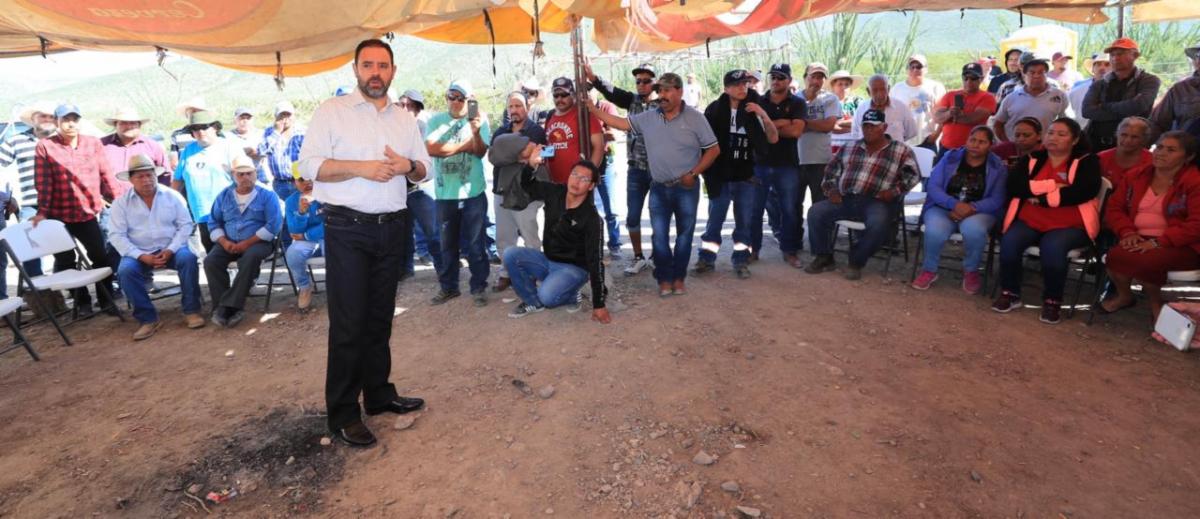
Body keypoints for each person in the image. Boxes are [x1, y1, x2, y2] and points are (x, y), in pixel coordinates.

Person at [298, 39, 431, 447]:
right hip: (347, 229)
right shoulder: (332, 111)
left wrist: (407, 165)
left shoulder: (404, 118)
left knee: (379, 318)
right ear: (356, 69)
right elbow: (309, 166)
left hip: (392, 227)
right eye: (368, 65)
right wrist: (362, 168)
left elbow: (424, 170)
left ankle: (378, 395)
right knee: (349, 323)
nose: (376, 72)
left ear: (393, 71)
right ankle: (342, 413)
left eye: (383, 65)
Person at [591, 72, 720, 296]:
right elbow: (621, 123)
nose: (662, 95)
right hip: (658, 187)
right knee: (659, 237)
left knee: (684, 236)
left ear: (680, 91)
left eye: (667, 90)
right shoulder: (650, 117)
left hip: (686, 188)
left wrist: (693, 173)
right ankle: (664, 278)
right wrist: (592, 109)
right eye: (660, 91)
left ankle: (678, 278)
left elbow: (713, 149)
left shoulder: (695, 117)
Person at [992, 118, 1102, 324]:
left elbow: (1083, 191)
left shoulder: (1087, 161)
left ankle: (1052, 300)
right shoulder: (1033, 157)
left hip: (1069, 224)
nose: (1054, 138)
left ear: (1075, 140)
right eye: (1051, 133)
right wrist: (1054, 186)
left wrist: (1040, 197)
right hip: (1031, 219)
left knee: (1053, 247)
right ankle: (1010, 293)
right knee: (1010, 242)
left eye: (1061, 134)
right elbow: (1014, 186)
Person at [805, 109, 920, 280]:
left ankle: (856, 261)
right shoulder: (850, 146)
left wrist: (893, 192)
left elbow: (913, 176)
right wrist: (832, 190)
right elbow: (830, 171)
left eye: (873, 126)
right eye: (866, 126)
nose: (869, 130)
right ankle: (824, 257)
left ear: (884, 127)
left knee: (879, 223)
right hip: (846, 197)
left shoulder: (900, 150)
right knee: (816, 212)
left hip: (878, 201)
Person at [1100, 131, 1200, 322]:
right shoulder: (1136, 175)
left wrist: (1159, 242)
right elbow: (1114, 208)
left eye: (1171, 150)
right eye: (1159, 147)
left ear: (1188, 157)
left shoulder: (1195, 182)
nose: (1161, 153)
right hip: (1138, 237)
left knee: (1149, 263)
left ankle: (1157, 305)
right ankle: (1125, 296)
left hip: (1180, 244)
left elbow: (1196, 225)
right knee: (1114, 256)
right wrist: (1127, 232)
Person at [33, 104, 121, 316]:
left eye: (74, 119)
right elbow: (43, 182)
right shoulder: (45, 146)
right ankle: (82, 303)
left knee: (100, 256)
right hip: (58, 215)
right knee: (65, 260)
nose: (70, 124)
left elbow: (106, 173)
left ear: (80, 121)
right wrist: (43, 212)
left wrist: (119, 200)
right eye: (65, 119)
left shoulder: (93, 143)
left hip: (87, 212)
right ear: (57, 122)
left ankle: (106, 300)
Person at [108, 154, 204, 340]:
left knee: (188, 259)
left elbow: (185, 225)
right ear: (131, 179)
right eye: (140, 176)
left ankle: (191, 310)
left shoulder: (172, 196)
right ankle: (148, 319)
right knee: (125, 271)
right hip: (139, 251)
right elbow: (116, 235)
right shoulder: (121, 203)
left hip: (172, 248)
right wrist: (140, 255)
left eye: (149, 175)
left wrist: (170, 249)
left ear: (155, 175)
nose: (146, 180)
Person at [504, 158, 611, 323]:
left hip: (574, 269)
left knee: (547, 297)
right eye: (574, 174)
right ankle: (533, 302)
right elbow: (527, 184)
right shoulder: (555, 192)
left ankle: (572, 293)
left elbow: (595, 260)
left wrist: (599, 304)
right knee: (510, 254)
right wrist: (531, 165)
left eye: (584, 179)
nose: (576, 181)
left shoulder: (592, 219)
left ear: (591, 186)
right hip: (548, 260)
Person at [695, 70, 778, 278]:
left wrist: (763, 114)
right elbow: (702, 142)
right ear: (726, 88)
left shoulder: (754, 109)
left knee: (744, 222)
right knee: (715, 219)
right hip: (719, 175)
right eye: (737, 84)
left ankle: (741, 261)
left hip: (746, 176)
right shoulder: (714, 110)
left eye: (745, 84)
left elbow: (773, 139)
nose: (743, 88)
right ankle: (706, 259)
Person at [912, 127, 1008, 293]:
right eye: (973, 140)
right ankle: (929, 270)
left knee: (974, 230)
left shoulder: (997, 166)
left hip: (979, 212)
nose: (975, 145)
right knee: (934, 229)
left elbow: (998, 198)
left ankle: (971, 271)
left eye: (982, 142)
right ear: (967, 140)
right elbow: (933, 186)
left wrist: (972, 207)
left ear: (990, 145)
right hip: (943, 207)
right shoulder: (950, 157)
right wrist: (954, 204)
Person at [585, 60, 659, 276]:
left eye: (646, 81)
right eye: (638, 81)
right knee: (633, 217)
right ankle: (638, 256)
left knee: (658, 216)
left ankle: (657, 255)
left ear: (655, 83)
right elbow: (612, 92)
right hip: (636, 169)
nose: (641, 84)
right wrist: (594, 78)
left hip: (658, 170)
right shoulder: (632, 101)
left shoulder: (664, 104)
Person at [425, 80, 491, 306]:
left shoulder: (479, 119)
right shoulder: (435, 121)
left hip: (473, 193)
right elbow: (432, 149)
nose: (455, 101)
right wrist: (464, 146)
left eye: (460, 98)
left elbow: (480, 152)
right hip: (446, 195)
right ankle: (449, 287)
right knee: (447, 245)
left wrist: (475, 133)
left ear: (469, 100)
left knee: (476, 244)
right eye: (451, 96)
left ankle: (478, 287)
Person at [202, 156, 282, 328]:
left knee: (250, 257)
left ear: (255, 173)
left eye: (249, 173)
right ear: (233, 175)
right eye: (241, 174)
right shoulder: (224, 195)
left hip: (259, 243)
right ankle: (223, 305)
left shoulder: (267, 195)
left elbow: (273, 226)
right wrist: (224, 241)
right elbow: (213, 222)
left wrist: (247, 243)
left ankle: (229, 307)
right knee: (210, 261)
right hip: (229, 242)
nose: (246, 177)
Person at [489, 91, 547, 292]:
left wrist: (508, 152)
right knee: (504, 236)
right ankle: (507, 273)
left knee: (530, 236)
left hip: (526, 192)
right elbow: (494, 157)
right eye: (511, 106)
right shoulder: (499, 131)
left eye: (518, 106)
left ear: (527, 108)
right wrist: (520, 155)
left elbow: (536, 153)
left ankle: (537, 275)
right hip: (502, 190)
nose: (514, 110)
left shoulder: (536, 131)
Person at [751, 63, 807, 267]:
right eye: (773, 77)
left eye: (781, 77)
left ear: (789, 81)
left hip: (787, 164)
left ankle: (789, 251)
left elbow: (796, 131)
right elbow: (755, 131)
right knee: (755, 209)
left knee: (789, 209)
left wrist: (768, 125)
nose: (776, 81)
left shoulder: (798, 103)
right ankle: (753, 250)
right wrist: (783, 122)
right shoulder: (758, 101)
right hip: (760, 163)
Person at [171, 110, 240, 252]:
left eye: (204, 127)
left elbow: (244, 177)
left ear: (215, 128)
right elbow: (178, 180)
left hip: (228, 214)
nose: (200, 131)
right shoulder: (188, 151)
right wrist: (169, 202)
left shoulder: (229, 147)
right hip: (201, 214)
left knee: (234, 254)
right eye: (195, 128)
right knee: (213, 257)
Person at [1, 101, 56, 278]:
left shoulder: (61, 140)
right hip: (31, 203)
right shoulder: (16, 140)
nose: (47, 119)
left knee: (64, 246)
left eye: (51, 116)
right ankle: (38, 288)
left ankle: (66, 284)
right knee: (31, 249)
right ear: (33, 119)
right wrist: (6, 196)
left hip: (61, 201)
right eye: (42, 116)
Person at [1081, 38, 1161, 152]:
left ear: (1135, 55)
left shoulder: (1149, 80)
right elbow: (1087, 111)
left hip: (1132, 146)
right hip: (1096, 143)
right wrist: (1126, 112)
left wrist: (1104, 106)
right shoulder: (1100, 83)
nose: (1115, 58)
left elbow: (1139, 106)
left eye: (1120, 54)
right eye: (1112, 55)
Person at [796, 63, 842, 246]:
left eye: (820, 77)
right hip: (796, 159)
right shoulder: (794, 98)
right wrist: (814, 124)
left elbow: (828, 126)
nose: (816, 81)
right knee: (793, 205)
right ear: (805, 77)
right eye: (813, 76)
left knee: (820, 205)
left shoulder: (830, 99)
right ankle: (794, 244)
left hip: (821, 160)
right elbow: (791, 128)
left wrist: (802, 123)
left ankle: (821, 246)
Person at [396, 89, 441, 279]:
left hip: (423, 187)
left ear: (417, 109)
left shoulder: (425, 129)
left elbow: (426, 161)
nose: (406, 109)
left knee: (433, 231)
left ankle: (444, 269)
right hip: (399, 190)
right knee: (402, 233)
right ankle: (405, 269)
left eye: (411, 106)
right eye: (402, 105)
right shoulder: (391, 130)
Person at [994, 53, 1068, 143]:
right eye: (1032, 72)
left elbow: (1067, 122)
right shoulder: (1009, 94)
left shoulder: (1059, 94)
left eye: (1041, 72)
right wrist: (1008, 144)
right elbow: (998, 123)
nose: (1036, 76)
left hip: (1046, 147)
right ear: (1023, 71)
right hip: (1017, 147)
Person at [543, 77, 605, 185]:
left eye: (564, 95)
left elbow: (599, 146)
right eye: (556, 95)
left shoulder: (584, 115)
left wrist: (588, 175)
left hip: (579, 183)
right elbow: (548, 146)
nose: (559, 99)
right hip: (555, 184)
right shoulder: (550, 116)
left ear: (573, 95)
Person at [933, 63, 998, 160]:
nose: (969, 81)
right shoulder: (950, 95)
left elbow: (973, 119)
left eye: (973, 78)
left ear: (981, 79)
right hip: (946, 148)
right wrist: (950, 113)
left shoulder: (987, 97)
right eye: (965, 78)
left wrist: (950, 117)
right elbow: (937, 118)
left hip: (972, 151)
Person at [589, 91, 623, 259]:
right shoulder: (577, 110)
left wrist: (593, 135)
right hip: (584, 163)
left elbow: (615, 133)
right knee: (588, 208)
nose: (586, 92)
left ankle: (615, 243)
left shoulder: (606, 107)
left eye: (589, 88)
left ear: (595, 91)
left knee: (611, 208)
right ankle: (592, 245)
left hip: (605, 163)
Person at [284, 172, 324, 310]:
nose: (307, 182)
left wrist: (307, 235)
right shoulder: (291, 201)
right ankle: (304, 286)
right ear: (294, 182)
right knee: (293, 253)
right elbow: (294, 232)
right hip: (307, 240)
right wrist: (301, 213)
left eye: (310, 178)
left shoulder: (328, 196)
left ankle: (339, 286)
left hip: (328, 236)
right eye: (301, 179)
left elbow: (331, 224)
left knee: (336, 250)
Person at [890, 54, 946, 150]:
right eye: (912, 67)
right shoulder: (897, 89)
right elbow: (891, 115)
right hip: (902, 142)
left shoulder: (936, 87)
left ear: (926, 69)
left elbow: (943, 115)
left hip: (927, 141)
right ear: (907, 70)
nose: (915, 70)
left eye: (919, 67)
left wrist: (935, 136)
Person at [100, 107, 166, 188]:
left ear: (139, 125)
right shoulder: (101, 145)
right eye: (123, 123)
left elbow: (165, 174)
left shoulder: (152, 146)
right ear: (115, 125)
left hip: (146, 195)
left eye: (133, 123)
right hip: (108, 195)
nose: (128, 126)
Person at [1148, 42, 1200, 140]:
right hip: (1189, 147)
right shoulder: (1180, 89)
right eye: (1198, 56)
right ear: (1196, 62)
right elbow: (1157, 124)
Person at [851, 74, 917, 144]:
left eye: (883, 89)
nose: (879, 94)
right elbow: (855, 133)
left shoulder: (901, 107)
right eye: (875, 90)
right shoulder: (862, 108)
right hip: (867, 150)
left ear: (888, 89)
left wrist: (896, 145)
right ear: (868, 91)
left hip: (894, 150)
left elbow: (912, 132)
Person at [1097, 117, 1153, 182]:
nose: (1128, 140)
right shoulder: (1101, 158)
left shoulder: (1152, 162)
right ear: (1117, 135)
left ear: (1144, 139)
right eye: (1124, 135)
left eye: (1134, 137)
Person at [227, 107, 271, 184]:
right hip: (238, 175)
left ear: (252, 120)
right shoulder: (228, 136)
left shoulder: (262, 134)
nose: (245, 121)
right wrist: (244, 152)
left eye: (248, 118)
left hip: (259, 173)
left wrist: (258, 153)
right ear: (235, 120)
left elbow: (269, 151)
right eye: (242, 118)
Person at [1068, 53, 1111, 130]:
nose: (1102, 68)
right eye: (1098, 64)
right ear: (1093, 68)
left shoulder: (1122, 90)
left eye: (1107, 64)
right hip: (1081, 132)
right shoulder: (1076, 91)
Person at [829, 70, 864, 152]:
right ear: (833, 86)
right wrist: (853, 128)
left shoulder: (857, 102)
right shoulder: (828, 103)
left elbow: (861, 121)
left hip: (855, 145)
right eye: (840, 84)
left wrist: (839, 123)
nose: (843, 87)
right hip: (833, 145)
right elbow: (831, 126)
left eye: (847, 84)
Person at [169, 97, 207, 172]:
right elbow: (174, 164)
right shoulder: (177, 135)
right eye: (192, 112)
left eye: (197, 111)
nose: (194, 115)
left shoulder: (212, 132)